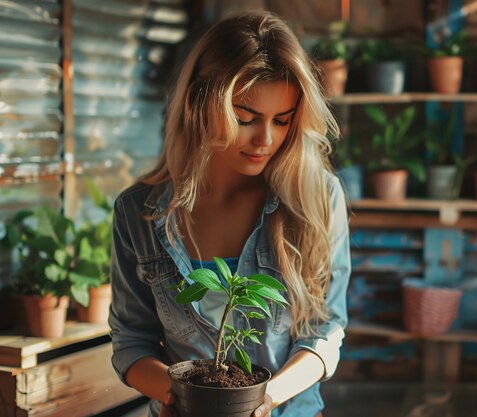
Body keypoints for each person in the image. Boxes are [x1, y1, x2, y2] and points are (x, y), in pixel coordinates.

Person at [108, 10, 351, 417]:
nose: (266, 139)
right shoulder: (139, 213)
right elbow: (131, 340)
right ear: (198, 102)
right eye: (245, 118)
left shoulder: (316, 199)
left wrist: (265, 400)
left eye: (283, 120)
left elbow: (326, 332)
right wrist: (176, 396)